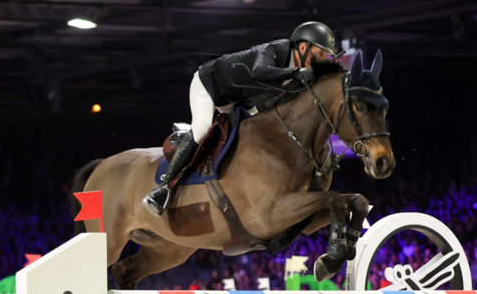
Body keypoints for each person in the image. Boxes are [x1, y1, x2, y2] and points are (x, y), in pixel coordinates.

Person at [143, 22, 338, 216]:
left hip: (240, 100)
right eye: (319, 54)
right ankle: (162, 189)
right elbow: (259, 71)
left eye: (324, 55)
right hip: (210, 86)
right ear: (302, 47)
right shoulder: (276, 49)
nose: (321, 59)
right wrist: (297, 73)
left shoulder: (302, 70)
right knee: (202, 129)